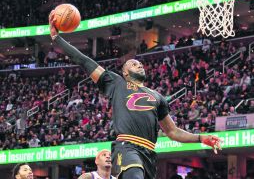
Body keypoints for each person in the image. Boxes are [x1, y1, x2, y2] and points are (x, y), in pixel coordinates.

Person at [49, 11, 222, 179]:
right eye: (133, 63)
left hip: (149, 152)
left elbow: (173, 132)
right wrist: (57, 38)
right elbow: (85, 61)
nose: (139, 65)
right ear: (124, 72)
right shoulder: (116, 83)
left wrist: (201, 138)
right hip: (127, 146)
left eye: (140, 63)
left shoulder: (157, 97)